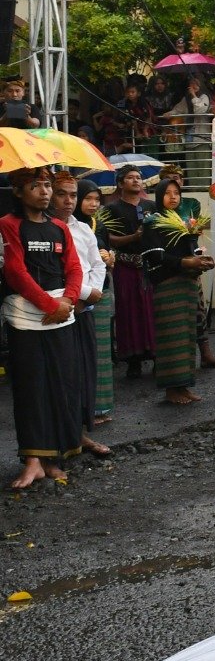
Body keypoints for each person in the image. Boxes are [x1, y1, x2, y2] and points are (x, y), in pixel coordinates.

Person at [3, 168, 85, 489]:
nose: (44, 192)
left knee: (62, 387)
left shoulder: (60, 228)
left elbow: (74, 268)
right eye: (35, 186)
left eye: (47, 185)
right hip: (26, 318)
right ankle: (33, 462)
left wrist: (68, 300)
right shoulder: (8, 225)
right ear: (19, 192)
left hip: (62, 315)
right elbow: (14, 271)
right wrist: (51, 306)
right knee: (31, 389)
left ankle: (54, 459)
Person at [52, 176, 112, 458]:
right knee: (61, 376)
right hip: (59, 307)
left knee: (84, 372)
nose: (69, 201)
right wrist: (83, 293)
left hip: (85, 307)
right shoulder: (43, 229)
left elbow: (96, 264)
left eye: (73, 195)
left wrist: (93, 293)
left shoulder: (83, 229)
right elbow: (55, 271)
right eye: (61, 194)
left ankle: (78, 433)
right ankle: (56, 438)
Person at [142, 177, 210, 406]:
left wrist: (200, 258)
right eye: (168, 193)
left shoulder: (184, 221)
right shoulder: (153, 222)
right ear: (159, 196)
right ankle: (171, 389)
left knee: (187, 336)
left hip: (187, 283)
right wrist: (185, 263)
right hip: (167, 284)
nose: (173, 197)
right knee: (171, 337)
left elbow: (190, 250)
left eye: (177, 193)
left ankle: (184, 385)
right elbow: (155, 255)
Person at [104, 166, 154, 378]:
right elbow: (109, 239)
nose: (136, 181)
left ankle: (157, 357)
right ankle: (132, 361)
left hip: (150, 267)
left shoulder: (151, 205)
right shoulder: (111, 208)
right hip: (125, 266)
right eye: (131, 178)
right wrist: (133, 237)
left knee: (151, 312)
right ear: (120, 183)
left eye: (138, 177)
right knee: (129, 313)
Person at [74, 179, 116, 424]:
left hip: (102, 290)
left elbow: (109, 257)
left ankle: (101, 406)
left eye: (97, 200)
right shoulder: (70, 226)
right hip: (80, 293)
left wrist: (110, 258)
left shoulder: (97, 225)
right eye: (88, 198)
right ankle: (85, 410)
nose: (92, 204)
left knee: (101, 352)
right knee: (84, 353)